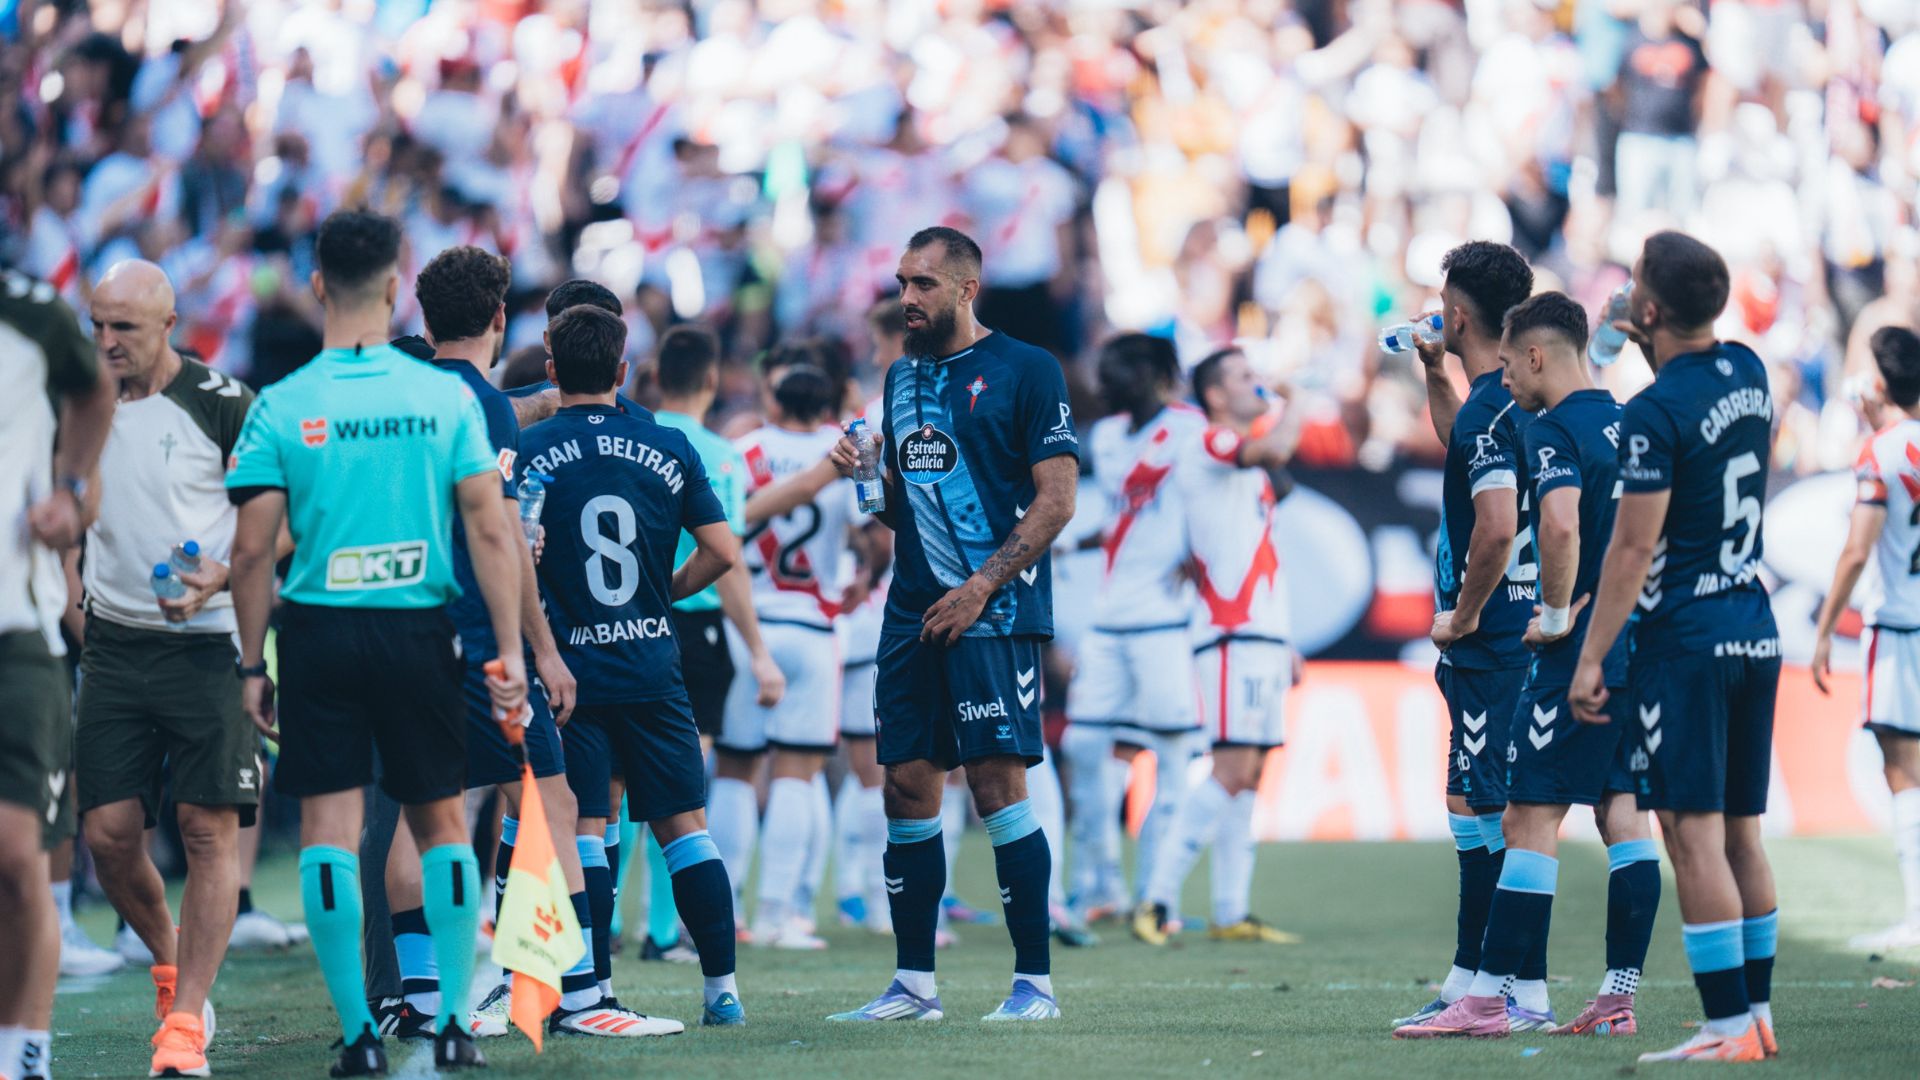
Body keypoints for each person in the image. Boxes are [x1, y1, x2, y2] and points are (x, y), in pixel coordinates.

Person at [225, 210, 528, 1075]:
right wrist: (506, 652)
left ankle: (361, 1031)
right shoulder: (441, 396)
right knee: (440, 824)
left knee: (329, 826)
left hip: (318, 630)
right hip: (420, 629)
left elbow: (251, 551)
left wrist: (252, 665)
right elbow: (490, 529)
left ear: (318, 286)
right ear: (397, 290)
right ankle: (457, 1022)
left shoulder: (281, 403)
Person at [824, 225, 1078, 1023]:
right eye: (902, 282)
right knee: (904, 785)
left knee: (998, 785)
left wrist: (980, 586)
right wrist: (869, 480)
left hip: (994, 611)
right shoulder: (900, 379)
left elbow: (1057, 499)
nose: (907, 298)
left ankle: (1033, 985)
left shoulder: (1026, 370)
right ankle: (914, 986)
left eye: (923, 284)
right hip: (910, 610)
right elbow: (902, 508)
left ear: (967, 289)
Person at [1396, 292, 1659, 1040]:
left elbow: (1560, 522)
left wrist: (1554, 615)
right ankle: (1617, 994)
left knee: (1526, 816)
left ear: (1536, 356)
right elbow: (1647, 535)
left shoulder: (1551, 431)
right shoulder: (1627, 420)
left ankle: (1493, 999)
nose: (1503, 379)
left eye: (1509, 365)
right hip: (1637, 644)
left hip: (1577, 655)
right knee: (1623, 814)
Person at [1570, 231, 1780, 1064]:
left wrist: (1593, 655)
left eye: (1634, 289)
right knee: (1743, 835)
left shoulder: (1653, 413)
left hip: (1684, 639)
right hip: (1752, 626)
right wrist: (1644, 328)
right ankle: (1756, 1018)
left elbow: (1630, 551)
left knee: (1691, 836)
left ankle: (1726, 1027)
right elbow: (1698, 399)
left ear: (1649, 309)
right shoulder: (1753, 373)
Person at [518, 303, 746, 1030]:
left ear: (553, 373)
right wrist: (663, 590)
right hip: (653, 660)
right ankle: (722, 993)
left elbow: (514, 555)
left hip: (569, 672)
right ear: (622, 372)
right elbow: (723, 552)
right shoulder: (669, 443)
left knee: (587, 825)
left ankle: (592, 992)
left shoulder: (527, 449)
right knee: (686, 826)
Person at [71, 260, 258, 1077]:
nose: (107, 342)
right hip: (111, 642)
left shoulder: (224, 404)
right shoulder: (73, 401)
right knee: (108, 836)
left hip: (208, 644)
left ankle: (182, 1026)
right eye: (97, 325)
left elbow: (281, 523)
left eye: (125, 329)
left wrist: (227, 572)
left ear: (169, 326)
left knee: (205, 829)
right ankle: (176, 963)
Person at [1395, 241, 1540, 1031]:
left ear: (1456, 313)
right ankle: (1473, 973)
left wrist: (1465, 612)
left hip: (1494, 634)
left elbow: (1493, 528)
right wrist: (1431, 373)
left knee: (1493, 804)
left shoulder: (1496, 404)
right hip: (1518, 624)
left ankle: (1502, 982)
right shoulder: (1506, 396)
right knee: (1472, 797)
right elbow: (1467, 449)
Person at [1133, 344, 1303, 948]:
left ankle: (1231, 910)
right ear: (1213, 395)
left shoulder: (1245, 466)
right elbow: (1279, 446)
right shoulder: (1209, 442)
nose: (1256, 384)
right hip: (1229, 633)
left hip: (1260, 632)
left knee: (1251, 773)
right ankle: (1154, 899)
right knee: (1230, 769)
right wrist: (1295, 395)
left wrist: (1285, 639)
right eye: (1243, 377)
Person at [0, 266, 115, 1080]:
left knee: (14, 854)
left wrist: (70, 492)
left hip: (15, 629)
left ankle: (23, 1058)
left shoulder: (31, 312)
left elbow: (95, 392)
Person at [713, 349, 865, 950]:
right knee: (798, 774)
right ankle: (780, 915)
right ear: (826, 405)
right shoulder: (847, 450)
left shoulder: (745, 451)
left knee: (735, 767)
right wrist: (863, 575)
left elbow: (725, 524)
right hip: (813, 622)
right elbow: (871, 528)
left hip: (748, 622)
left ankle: (723, 912)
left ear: (773, 401)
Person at [1059, 333, 1205, 931]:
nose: (1104, 382)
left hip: (1164, 624)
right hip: (1109, 616)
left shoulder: (1191, 431)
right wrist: (1071, 542)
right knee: (1081, 746)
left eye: (1116, 371)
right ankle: (1103, 886)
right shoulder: (1107, 437)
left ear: (1152, 373)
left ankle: (1158, 895)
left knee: (1173, 758)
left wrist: (1203, 554)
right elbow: (1125, 519)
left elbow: (1223, 498)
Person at [653, 323, 785, 962]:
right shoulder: (718, 456)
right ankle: (663, 929)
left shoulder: (635, 437)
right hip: (696, 623)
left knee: (618, 784)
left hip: (630, 621)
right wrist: (757, 650)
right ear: (711, 379)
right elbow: (723, 559)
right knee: (679, 783)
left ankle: (619, 927)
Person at [1811, 325, 1920, 952]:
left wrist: (1824, 629)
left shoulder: (1881, 452)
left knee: (1902, 769)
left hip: (1899, 629)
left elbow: (1857, 549)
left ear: (1877, 382)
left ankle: (1914, 915)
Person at [503, 279, 651, 427]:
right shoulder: (507, 412)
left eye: (603, 334)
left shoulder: (641, 418)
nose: (590, 344)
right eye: (575, 333)